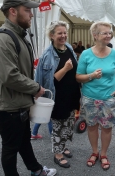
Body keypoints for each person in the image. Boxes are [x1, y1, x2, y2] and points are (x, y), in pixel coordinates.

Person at [0, 0, 56, 176]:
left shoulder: (18, 36)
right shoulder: (2, 39)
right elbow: (9, 76)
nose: (32, 14)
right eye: (27, 10)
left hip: (18, 102)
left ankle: (36, 170)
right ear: (13, 11)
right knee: (10, 146)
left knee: (23, 140)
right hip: (6, 105)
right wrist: (35, 88)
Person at [76, 21, 115, 171]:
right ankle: (94, 152)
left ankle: (103, 154)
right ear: (95, 35)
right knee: (91, 127)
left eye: (110, 32)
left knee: (107, 127)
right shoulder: (85, 54)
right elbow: (78, 77)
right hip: (89, 97)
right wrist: (91, 76)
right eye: (105, 33)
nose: (109, 35)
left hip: (109, 97)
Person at [35, 21, 81, 168]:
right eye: (60, 33)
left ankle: (63, 146)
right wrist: (66, 68)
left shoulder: (68, 48)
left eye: (65, 32)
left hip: (72, 93)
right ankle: (58, 154)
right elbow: (52, 79)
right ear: (52, 35)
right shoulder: (47, 55)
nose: (63, 36)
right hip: (58, 96)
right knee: (57, 126)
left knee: (68, 124)